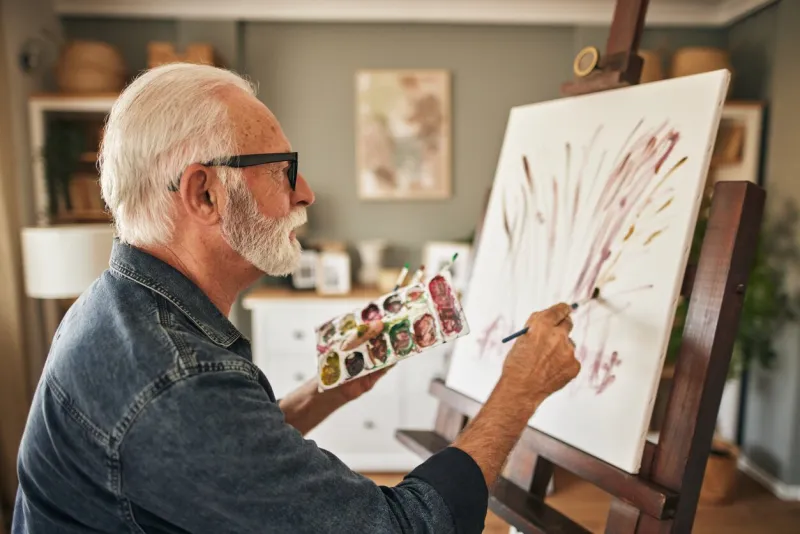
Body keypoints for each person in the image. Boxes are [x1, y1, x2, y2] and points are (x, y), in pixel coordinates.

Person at [12, 63, 580, 534]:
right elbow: (408, 529)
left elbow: (217, 457)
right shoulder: (177, 378)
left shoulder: (117, 307)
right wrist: (517, 393)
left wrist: (320, 397)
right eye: (285, 171)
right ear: (204, 193)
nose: (305, 193)